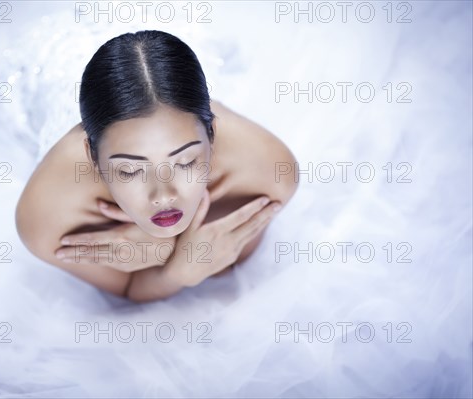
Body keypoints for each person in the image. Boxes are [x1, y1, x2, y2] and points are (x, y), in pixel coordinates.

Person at [15, 30, 299, 303]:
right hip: (47, 72)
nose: (163, 195)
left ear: (212, 134)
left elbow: (223, 265)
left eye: (186, 161)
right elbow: (129, 289)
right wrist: (175, 268)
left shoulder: (268, 172)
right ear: (92, 155)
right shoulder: (47, 218)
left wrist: (172, 256)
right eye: (129, 170)